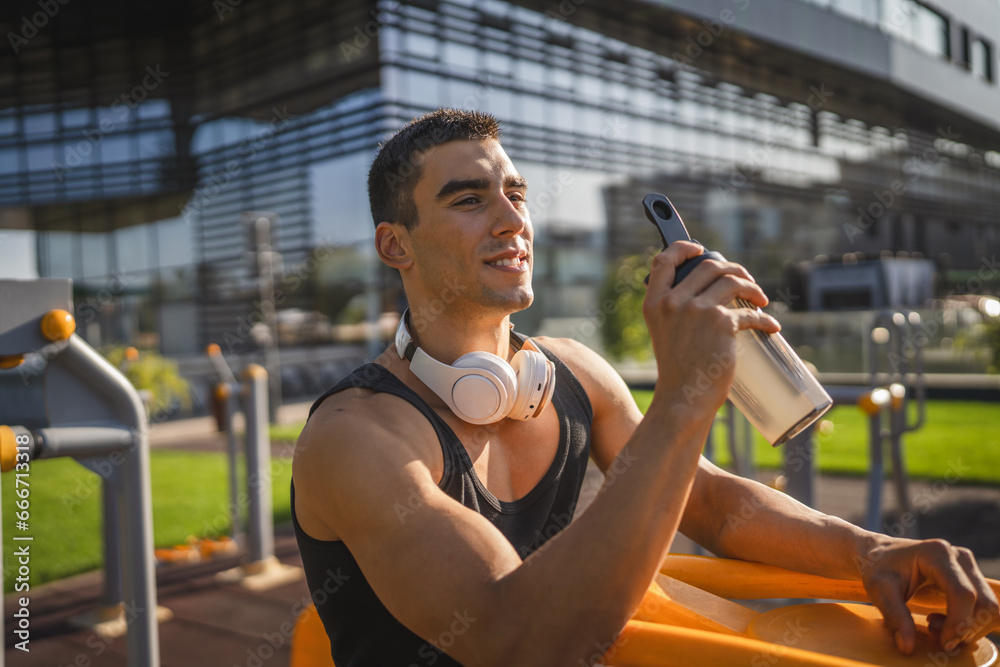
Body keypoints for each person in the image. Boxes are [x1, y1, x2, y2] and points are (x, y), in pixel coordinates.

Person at [291, 108, 998, 666]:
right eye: (469, 200)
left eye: (515, 193)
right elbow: (518, 643)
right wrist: (686, 392)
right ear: (396, 245)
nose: (513, 220)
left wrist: (868, 551)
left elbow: (715, 507)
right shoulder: (355, 437)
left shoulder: (572, 369)